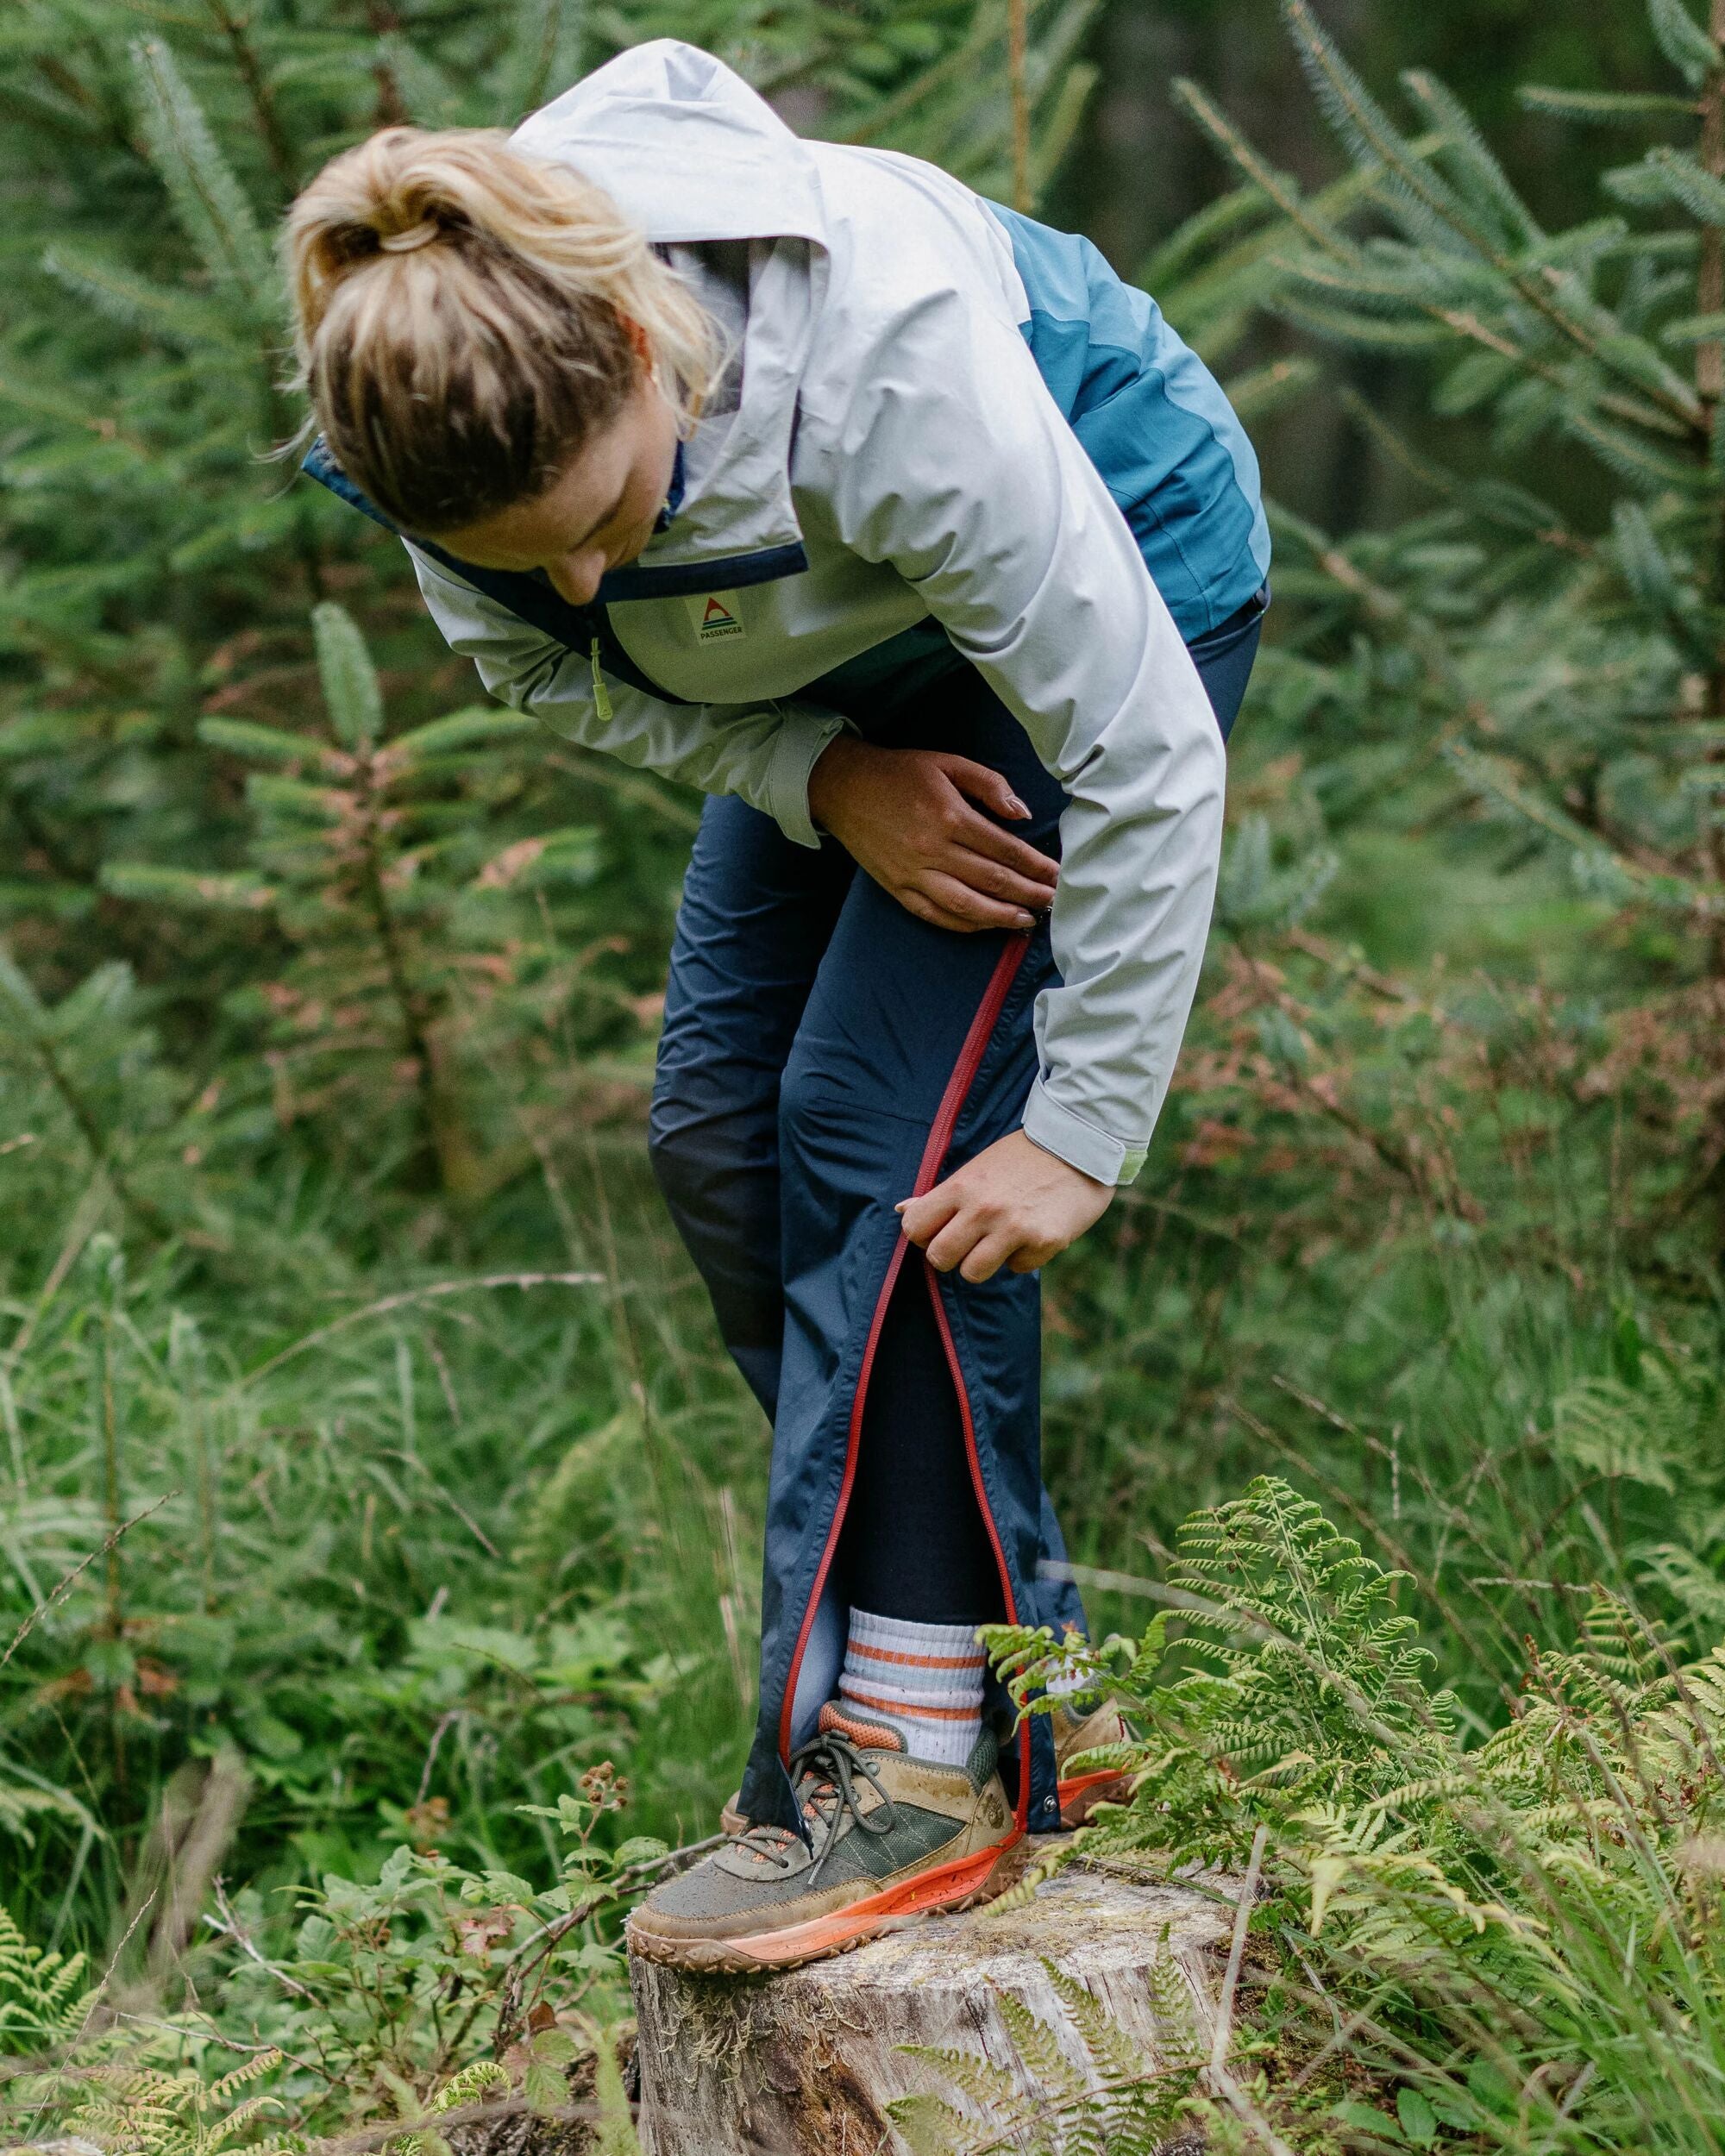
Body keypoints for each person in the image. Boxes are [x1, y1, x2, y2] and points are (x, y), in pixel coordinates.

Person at [285, 37, 1269, 1974]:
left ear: (652, 356)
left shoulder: (888, 361)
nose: (576, 573)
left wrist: (1078, 1127)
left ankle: (916, 1761)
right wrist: (822, 772)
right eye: (524, 557)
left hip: (1109, 574)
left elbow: (1144, 746)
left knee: (869, 1129)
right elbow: (557, 673)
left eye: (606, 514)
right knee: (724, 1139)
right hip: (815, 681)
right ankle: (1017, 1661)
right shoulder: (440, 411)